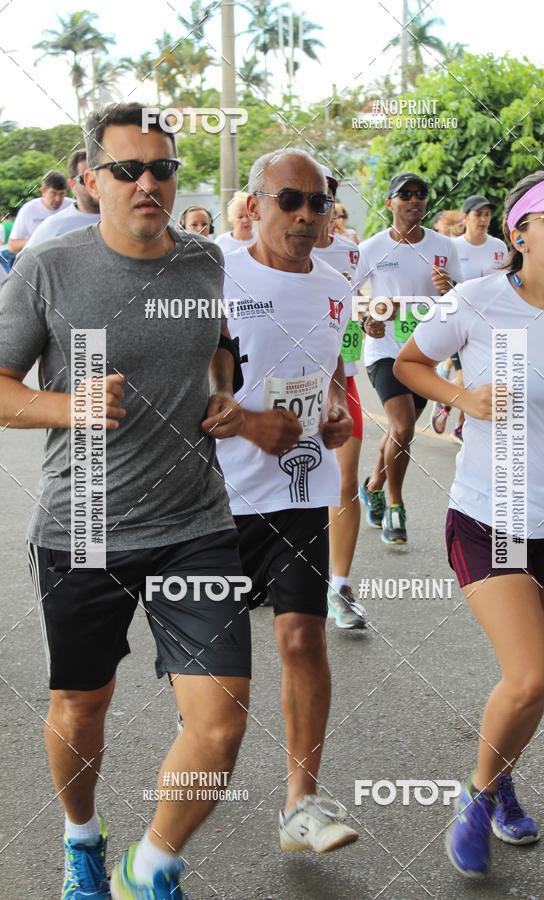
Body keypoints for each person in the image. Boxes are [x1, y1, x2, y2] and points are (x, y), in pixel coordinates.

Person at [0, 101, 251, 900]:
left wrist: (221, 393)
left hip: (196, 523)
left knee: (220, 723)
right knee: (81, 708)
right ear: (88, 180)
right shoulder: (49, 269)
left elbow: (217, 341)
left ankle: (151, 864)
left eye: (163, 168)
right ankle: (83, 841)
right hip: (85, 524)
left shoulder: (206, 258)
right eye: (127, 169)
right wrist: (65, 405)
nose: (149, 183)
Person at [395, 170, 544, 879]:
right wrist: (462, 396)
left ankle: (501, 778)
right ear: (520, 234)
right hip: (491, 513)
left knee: (535, 685)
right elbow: (409, 362)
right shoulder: (477, 300)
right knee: (531, 670)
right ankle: (478, 797)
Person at [216, 147, 359, 852]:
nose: (305, 216)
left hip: (299, 491)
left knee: (302, 637)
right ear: (255, 205)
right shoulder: (211, 274)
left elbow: (337, 371)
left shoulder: (339, 285)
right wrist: (245, 422)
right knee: (217, 686)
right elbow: (169, 386)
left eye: (317, 204)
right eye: (289, 201)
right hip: (211, 501)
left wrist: (334, 411)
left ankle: (301, 801)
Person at [355, 172, 462, 545]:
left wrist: (449, 288)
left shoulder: (444, 246)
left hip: (424, 355)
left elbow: (460, 297)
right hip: (384, 352)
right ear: (390, 203)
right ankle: (395, 509)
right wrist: (368, 320)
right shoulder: (371, 248)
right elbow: (352, 295)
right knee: (401, 428)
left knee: (398, 433)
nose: (414, 200)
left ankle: (373, 484)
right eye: (405, 195)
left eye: (421, 194)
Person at [311, 165, 366, 630]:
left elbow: (360, 306)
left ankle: (339, 586)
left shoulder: (351, 253)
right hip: (274, 382)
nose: (316, 206)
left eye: (326, 197)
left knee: (344, 483)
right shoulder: (254, 252)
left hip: (338, 377)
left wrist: (370, 320)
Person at [432, 196, 508, 440]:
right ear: (465, 218)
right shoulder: (452, 247)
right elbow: (443, 288)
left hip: (490, 324)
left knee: (481, 379)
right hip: (459, 323)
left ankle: (460, 427)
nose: (484, 219)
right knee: (465, 377)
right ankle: (445, 402)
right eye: (478, 214)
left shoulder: (498, 247)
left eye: (487, 214)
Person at [26, 150, 100, 247]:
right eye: (84, 180)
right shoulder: (52, 227)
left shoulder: (122, 218)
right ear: (72, 185)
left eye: (99, 177)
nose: (95, 185)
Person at [7, 170, 72, 253]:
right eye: (53, 193)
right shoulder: (28, 209)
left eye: (62, 194)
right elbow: (12, 246)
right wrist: (39, 240)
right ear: (43, 191)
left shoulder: (72, 205)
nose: (58, 199)